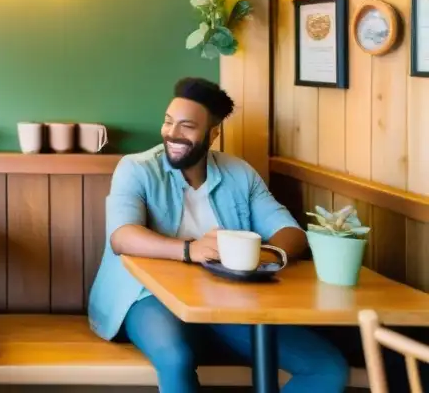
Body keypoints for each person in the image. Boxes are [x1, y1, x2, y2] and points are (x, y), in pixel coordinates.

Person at [88, 77, 349, 393]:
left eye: (187, 126)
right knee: (175, 358)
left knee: (327, 368)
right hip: (148, 297)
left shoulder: (239, 173)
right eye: (168, 122)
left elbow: (291, 232)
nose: (172, 133)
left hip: (228, 299)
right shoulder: (137, 168)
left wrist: (261, 257)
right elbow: (122, 236)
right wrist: (190, 250)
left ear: (213, 134)